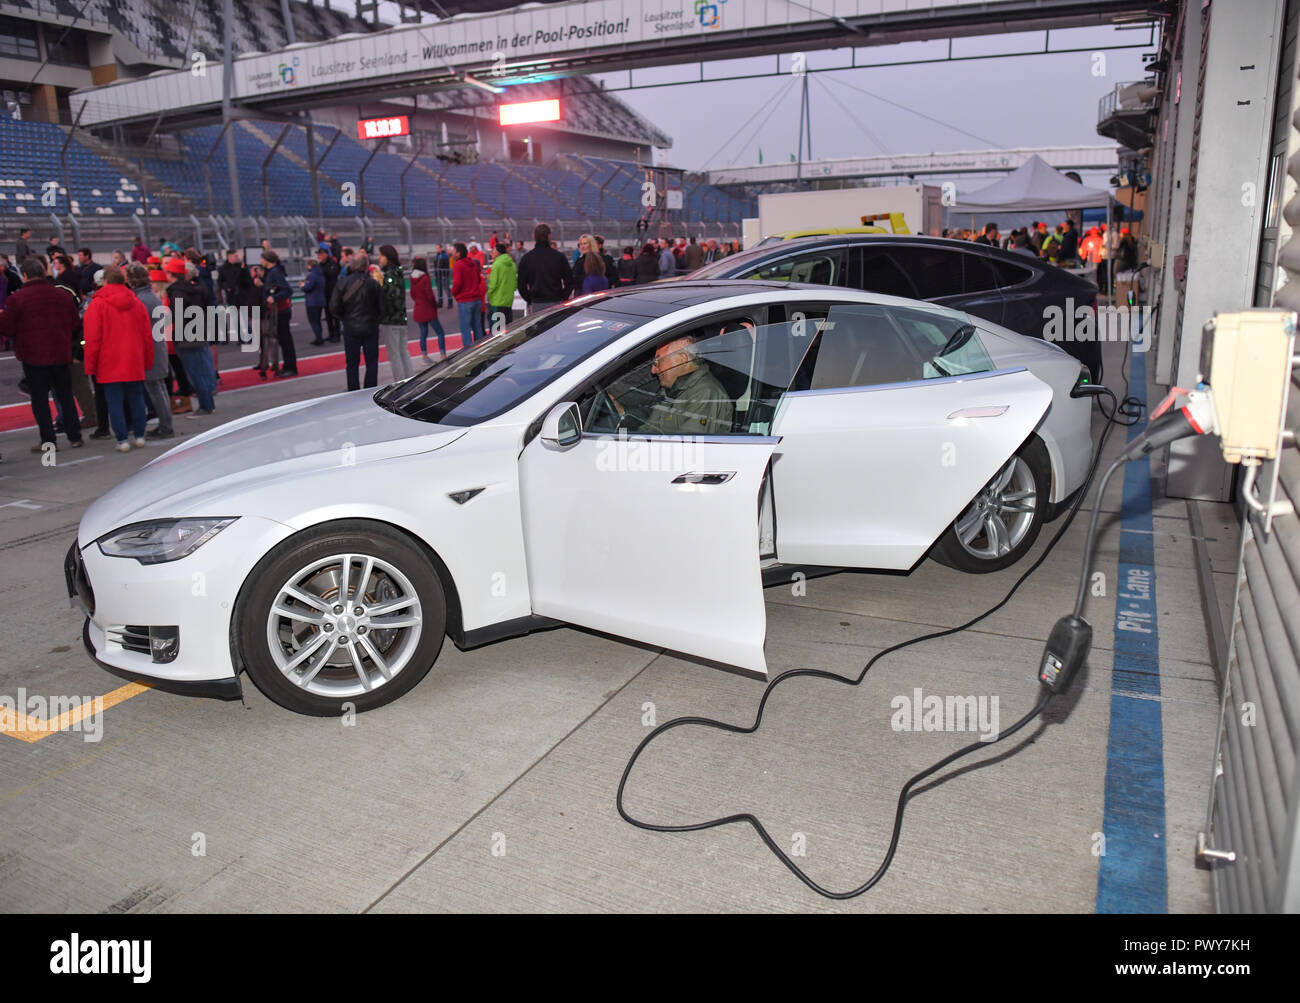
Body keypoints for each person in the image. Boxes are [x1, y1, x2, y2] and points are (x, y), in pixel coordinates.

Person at [0, 257, 85, 453]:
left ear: (25, 276)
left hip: (33, 355)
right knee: (65, 396)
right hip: (60, 353)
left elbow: (8, 328)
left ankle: (49, 441)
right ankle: (75, 436)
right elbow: (74, 323)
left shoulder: (17, 299)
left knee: (40, 401)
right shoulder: (62, 296)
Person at [82, 265, 153, 452]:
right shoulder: (136, 303)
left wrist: (90, 366)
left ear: (105, 281)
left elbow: (92, 338)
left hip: (108, 361)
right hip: (133, 358)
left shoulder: (97, 304)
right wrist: (147, 359)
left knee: (114, 402)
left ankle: (122, 439)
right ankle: (139, 435)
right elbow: (147, 335)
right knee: (136, 399)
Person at [609, 334, 733, 435]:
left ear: (682, 359)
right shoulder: (673, 389)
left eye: (658, 362)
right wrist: (622, 416)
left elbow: (687, 450)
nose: (653, 370)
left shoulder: (705, 394)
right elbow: (650, 429)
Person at [125, 263, 174, 440]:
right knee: (158, 388)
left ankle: (165, 426)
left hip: (150, 348)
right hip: (156, 345)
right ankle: (165, 424)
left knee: (155, 389)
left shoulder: (141, 299)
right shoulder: (150, 295)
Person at [164, 257, 219, 416]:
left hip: (185, 336)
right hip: (199, 331)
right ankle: (208, 402)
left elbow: (177, 315)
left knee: (194, 372)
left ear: (171, 273)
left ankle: (205, 405)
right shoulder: (197, 287)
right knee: (201, 369)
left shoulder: (176, 292)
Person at [329, 251, 382, 391]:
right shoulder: (373, 284)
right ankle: (370, 391)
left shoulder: (342, 283)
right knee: (371, 363)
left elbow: (333, 307)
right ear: (366, 266)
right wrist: (374, 318)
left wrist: (345, 318)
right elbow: (383, 307)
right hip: (370, 327)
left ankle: (353, 391)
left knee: (352, 363)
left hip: (350, 327)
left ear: (351, 266)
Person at [374, 244, 412, 381]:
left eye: (380, 255)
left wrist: (379, 286)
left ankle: (400, 382)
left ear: (387, 256)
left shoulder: (390, 274)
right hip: (401, 318)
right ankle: (409, 380)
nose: (379, 258)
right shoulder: (398, 271)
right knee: (403, 351)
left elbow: (390, 297)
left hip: (391, 320)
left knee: (395, 354)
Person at [516, 223, 572, 313]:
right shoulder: (559, 257)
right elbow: (569, 281)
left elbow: (521, 285)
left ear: (534, 237)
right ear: (549, 236)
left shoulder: (527, 258)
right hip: (556, 301)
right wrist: (563, 297)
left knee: (539, 327)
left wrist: (530, 299)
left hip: (537, 303)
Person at [260, 249, 297, 377]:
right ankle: (288, 365)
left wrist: (274, 298)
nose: (261, 261)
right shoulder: (272, 272)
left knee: (285, 340)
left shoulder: (275, 273)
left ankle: (291, 367)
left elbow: (287, 290)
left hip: (280, 310)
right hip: (278, 309)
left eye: (262, 259)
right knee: (283, 340)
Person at [408, 256, 447, 363]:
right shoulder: (425, 278)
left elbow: (412, 294)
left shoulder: (412, 278)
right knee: (440, 332)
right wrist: (435, 304)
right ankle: (443, 354)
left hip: (418, 308)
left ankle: (424, 355)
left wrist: (418, 301)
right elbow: (429, 295)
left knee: (423, 333)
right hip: (428, 309)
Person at [450, 242, 486, 346]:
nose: (452, 252)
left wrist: (454, 293)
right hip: (476, 299)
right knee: (477, 328)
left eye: (453, 250)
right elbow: (479, 279)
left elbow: (457, 283)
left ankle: (468, 354)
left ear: (458, 253)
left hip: (465, 301)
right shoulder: (473, 263)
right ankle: (480, 351)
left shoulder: (458, 265)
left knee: (466, 330)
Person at [486, 242, 517, 336]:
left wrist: (489, 295)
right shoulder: (512, 264)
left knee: (497, 332)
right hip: (508, 300)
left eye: (493, 250)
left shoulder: (497, 264)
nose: (491, 253)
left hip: (497, 301)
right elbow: (515, 283)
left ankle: (499, 351)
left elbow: (493, 284)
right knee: (507, 329)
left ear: (498, 252)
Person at [317, 243, 341, 342]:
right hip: (324, 294)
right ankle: (331, 334)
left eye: (321, 254)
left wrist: (322, 271)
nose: (319, 256)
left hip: (333, 293)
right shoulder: (319, 265)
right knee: (328, 316)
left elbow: (333, 273)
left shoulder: (332, 263)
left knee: (335, 315)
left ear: (326, 254)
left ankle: (337, 334)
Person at [301, 255, 326, 345]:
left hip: (312, 301)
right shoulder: (320, 274)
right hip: (320, 300)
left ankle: (319, 338)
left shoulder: (312, 275)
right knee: (317, 320)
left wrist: (303, 286)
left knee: (313, 321)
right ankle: (319, 337)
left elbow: (308, 287)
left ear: (310, 266)